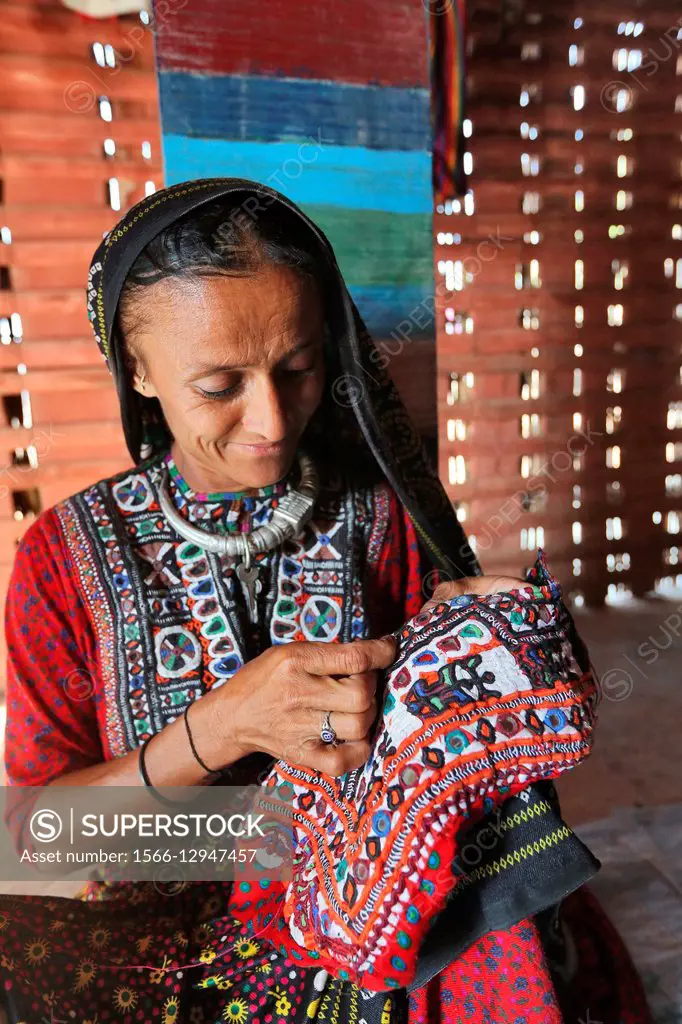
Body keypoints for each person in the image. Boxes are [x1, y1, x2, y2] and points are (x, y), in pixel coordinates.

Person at [0, 179, 650, 1023]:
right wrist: (221, 727)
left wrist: (480, 655)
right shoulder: (64, 557)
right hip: (162, 924)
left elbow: (448, 766)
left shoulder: (382, 519)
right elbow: (40, 843)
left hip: (371, 911)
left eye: (298, 367)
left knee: (506, 932)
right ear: (138, 369)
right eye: (219, 384)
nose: (271, 418)